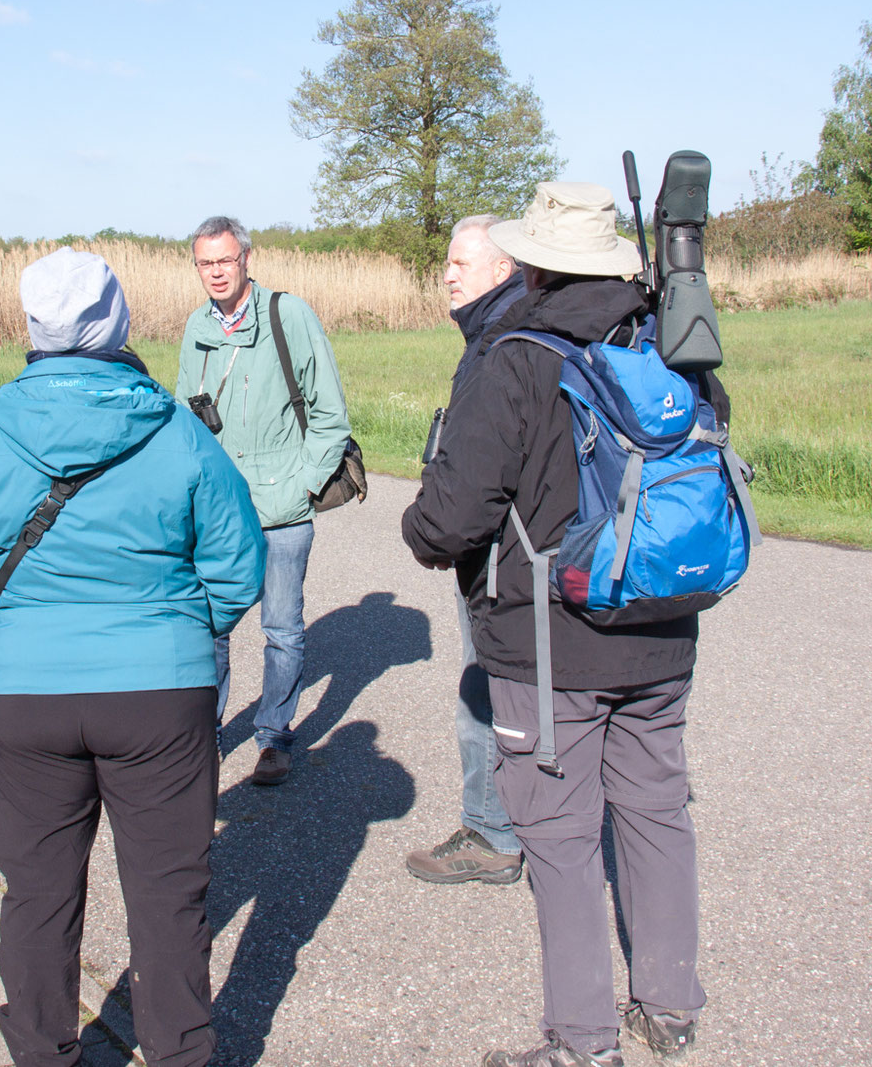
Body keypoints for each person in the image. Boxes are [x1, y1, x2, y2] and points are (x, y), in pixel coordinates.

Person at [0, 247, 265, 1067]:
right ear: (119, 322)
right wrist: (181, 624)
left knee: (36, 892)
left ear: (32, 327)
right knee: (168, 891)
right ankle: (180, 1049)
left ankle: (44, 1052)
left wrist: (16, 625)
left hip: (26, 695)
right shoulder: (177, 430)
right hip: (160, 687)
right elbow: (237, 565)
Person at [402, 182, 707, 1067]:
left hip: (547, 643)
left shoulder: (517, 353)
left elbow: (454, 516)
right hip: (662, 621)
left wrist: (416, 531)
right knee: (656, 812)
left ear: (535, 261)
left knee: (563, 840)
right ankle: (670, 1007)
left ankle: (581, 1044)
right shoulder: (670, 339)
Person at [175, 215, 352, 787]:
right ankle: (204, 735)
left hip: (283, 511)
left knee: (282, 629)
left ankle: (274, 736)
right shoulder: (196, 328)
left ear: (246, 259)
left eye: (225, 260)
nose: (217, 272)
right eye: (206, 263)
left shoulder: (288, 315)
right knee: (210, 629)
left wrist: (301, 487)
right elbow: (184, 422)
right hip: (219, 513)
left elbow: (330, 416)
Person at [404, 214, 527, 886]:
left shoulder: (498, 344)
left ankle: (490, 829)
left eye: (461, 263)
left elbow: (476, 479)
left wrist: (426, 529)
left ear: (502, 270)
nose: (447, 273)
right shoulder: (518, 329)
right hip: (527, 551)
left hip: (501, 557)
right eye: (447, 263)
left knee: (485, 682)